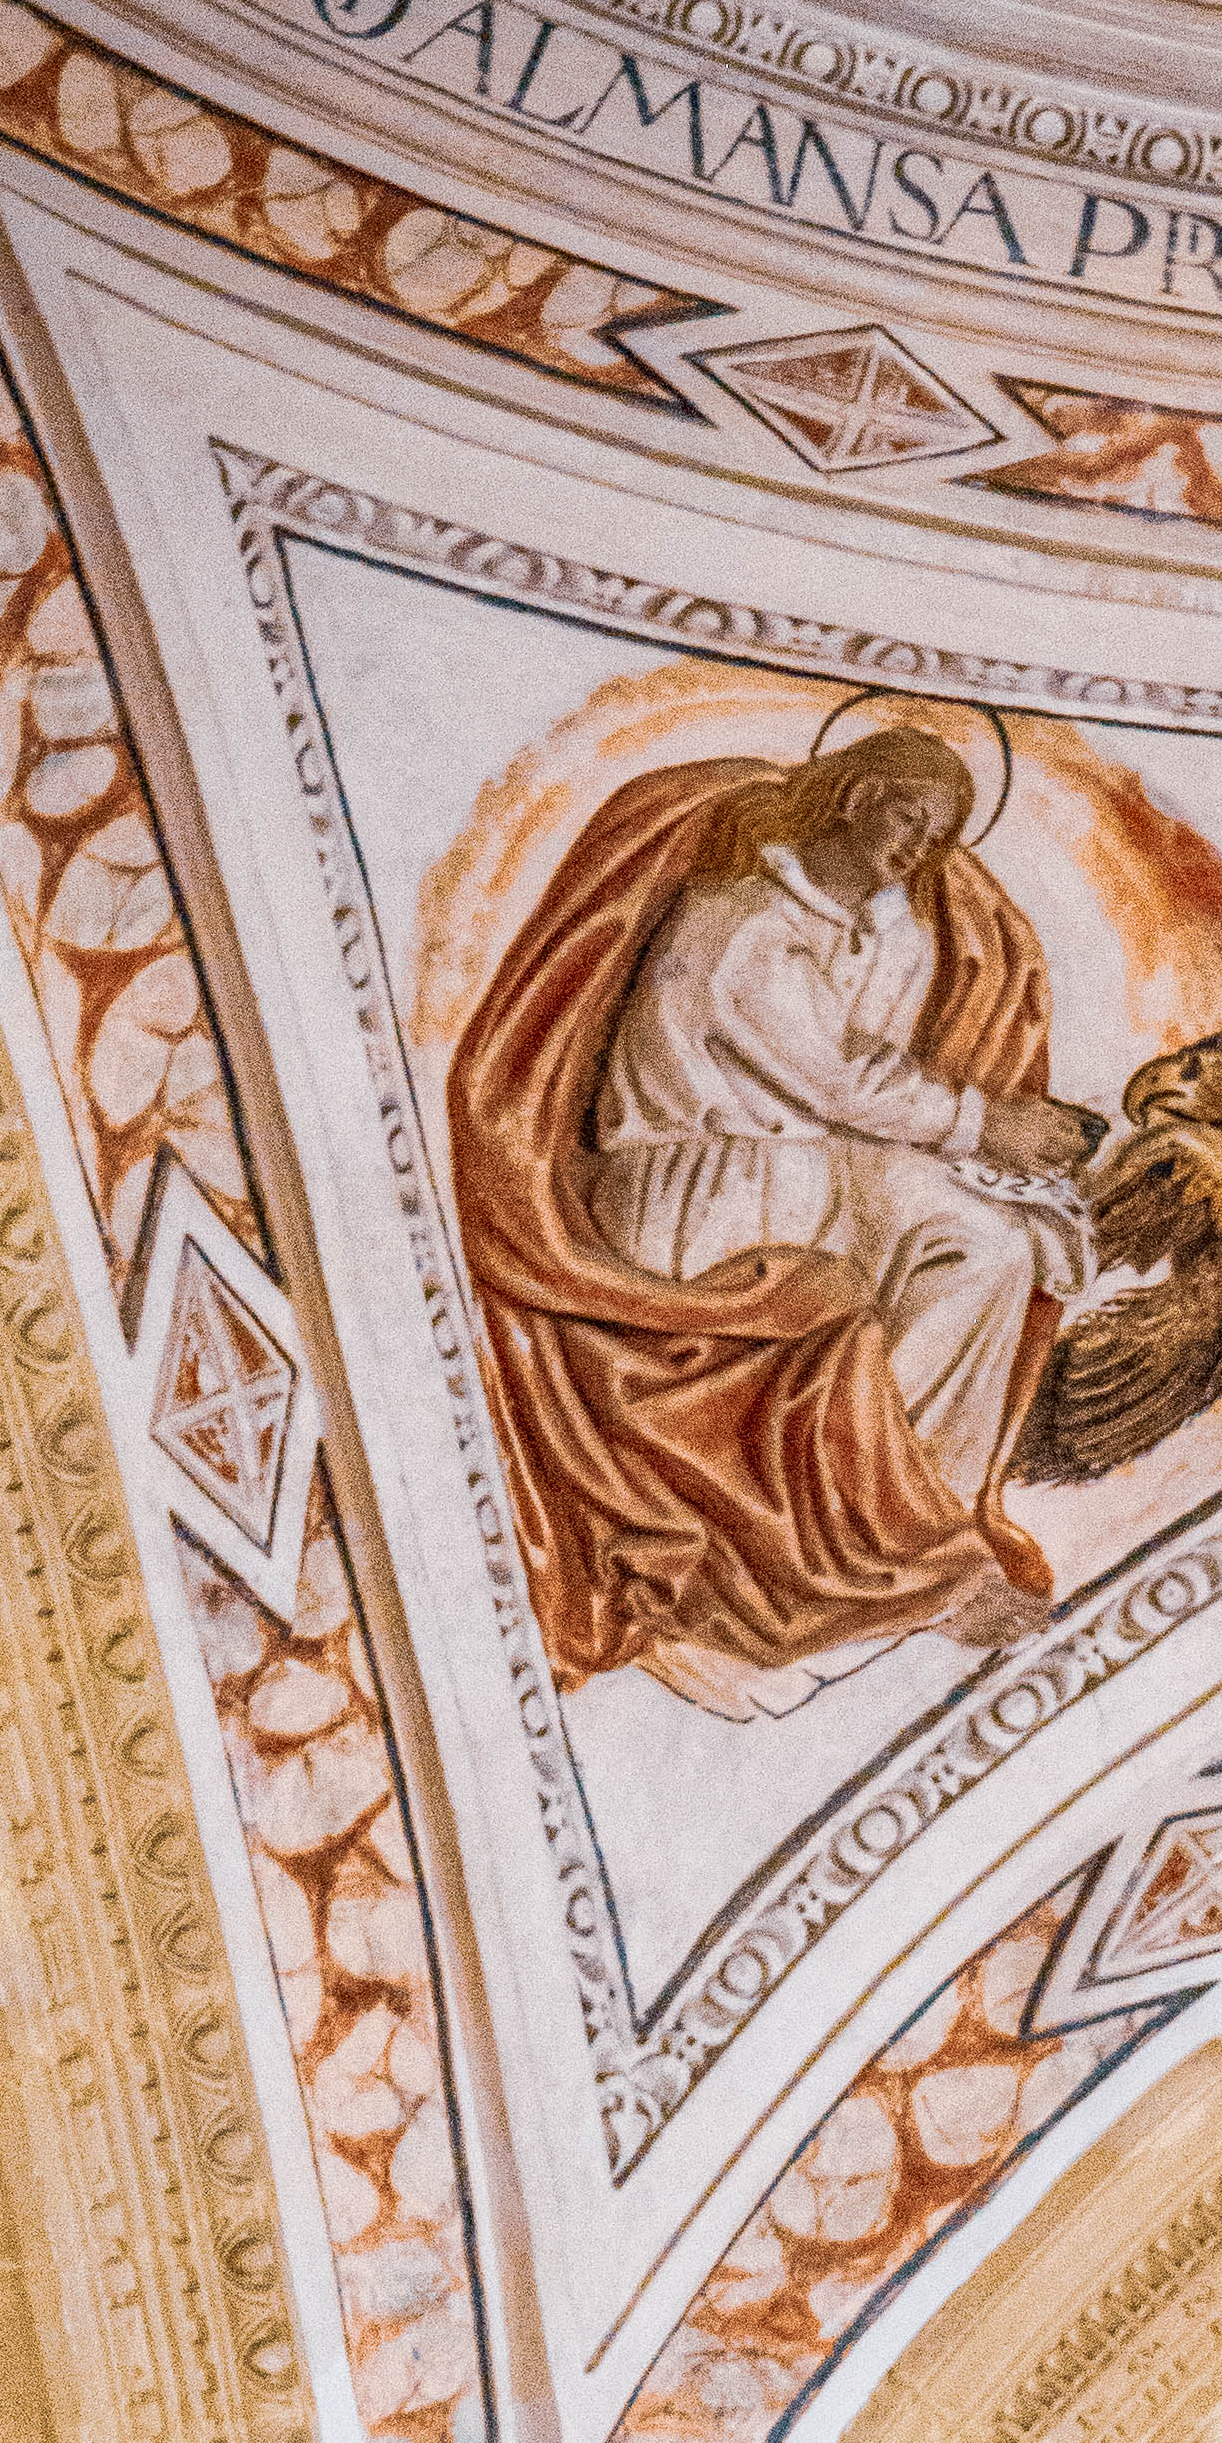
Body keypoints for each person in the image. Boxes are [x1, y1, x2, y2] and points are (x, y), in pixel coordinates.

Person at [447, 710, 1096, 1714]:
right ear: (853, 794)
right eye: (908, 815)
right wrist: (985, 1124)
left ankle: (906, 1520)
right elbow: (833, 1076)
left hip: (808, 1171)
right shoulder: (738, 918)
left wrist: (997, 1158)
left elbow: (860, 1080)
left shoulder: (880, 936)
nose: (918, 847)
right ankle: (865, 1555)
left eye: (937, 835)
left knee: (992, 1250)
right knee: (826, 1303)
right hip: (700, 1184)